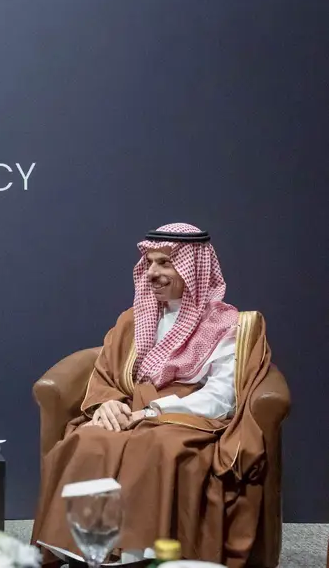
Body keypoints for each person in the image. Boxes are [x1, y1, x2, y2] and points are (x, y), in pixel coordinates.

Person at [31, 223, 271, 568]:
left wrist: (153, 412)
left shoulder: (230, 325)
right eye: (149, 263)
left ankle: (136, 557)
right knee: (89, 439)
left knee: (156, 446)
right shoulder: (133, 319)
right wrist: (108, 403)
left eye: (165, 263)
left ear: (194, 267)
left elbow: (221, 396)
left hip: (189, 416)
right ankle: (81, 554)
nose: (152, 273)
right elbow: (107, 372)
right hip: (132, 407)